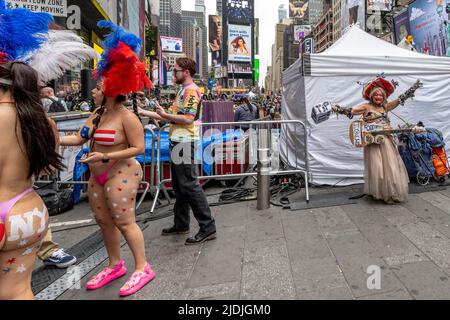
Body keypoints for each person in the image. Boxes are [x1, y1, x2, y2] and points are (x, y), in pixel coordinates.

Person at [59, 21, 155, 297]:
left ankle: (142, 267)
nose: (94, 87)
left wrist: (106, 155)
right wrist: (52, 138)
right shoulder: (98, 114)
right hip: (96, 176)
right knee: (104, 222)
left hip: (121, 172)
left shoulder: (128, 117)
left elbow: (138, 148)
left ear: (114, 84)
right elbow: (78, 138)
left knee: (125, 222)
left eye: (99, 83)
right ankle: (115, 264)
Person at [138, 58, 217, 245]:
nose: (174, 74)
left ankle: (208, 226)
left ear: (187, 72)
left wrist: (164, 115)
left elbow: (188, 118)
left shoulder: (190, 90)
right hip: (177, 140)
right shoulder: (183, 90)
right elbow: (170, 116)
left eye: (176, 71)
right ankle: (181, 223)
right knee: (179, 185)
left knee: (189, 184)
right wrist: (144, 111)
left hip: (184, 141)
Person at [331, 76, 422, 204]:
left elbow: (399, 100)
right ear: (372, 96)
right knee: (378, 168)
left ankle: (391, 194)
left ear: (384, 96)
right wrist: (337, 109)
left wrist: (411, 89)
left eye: (381, 95)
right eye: (376, 95)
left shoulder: (385, 107)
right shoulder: (366, 107)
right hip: (373, 142)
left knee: (391, 167)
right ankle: (379, 192)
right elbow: (351, 111)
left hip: (386, 141)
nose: (378, 97)